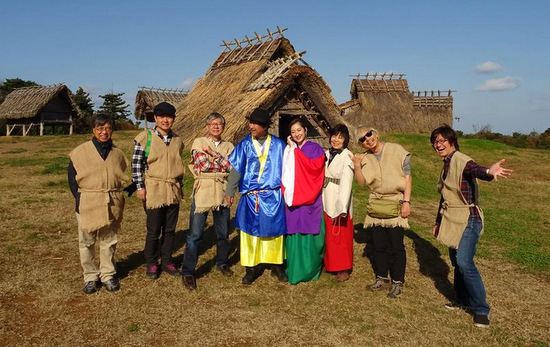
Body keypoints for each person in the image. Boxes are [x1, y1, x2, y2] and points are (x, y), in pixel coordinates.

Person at [430, 124, 512, 328]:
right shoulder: (447, 163)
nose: (438, 144)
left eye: (442, 140)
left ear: (452, 142)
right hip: (451, 218)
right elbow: (445, 197)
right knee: (457, 263)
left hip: (468, 219)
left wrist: (488, 171)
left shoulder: (461, 160)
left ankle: (481, 309)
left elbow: (476, 169)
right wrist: (438, 222)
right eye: (435, 141)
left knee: (465, 263)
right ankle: (463, 300)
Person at [225, 108, 287, 285]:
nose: (251, 126)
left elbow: (288, 170)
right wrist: (230, 191)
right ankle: (251, 268)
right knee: (249, 233)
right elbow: (236, 169)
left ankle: (276, 266)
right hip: (251, 198)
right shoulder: (244, 145)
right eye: (250, 122)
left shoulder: (279, 145)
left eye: (255, 123)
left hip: (273, 196)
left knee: (274, 232)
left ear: (265, 126)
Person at [68, 114, 129, 294]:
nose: (104, 132)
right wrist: (80, 199)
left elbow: (121, 174)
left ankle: (108, 274)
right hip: (87, 201)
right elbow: (72, 179)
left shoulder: (117, 154)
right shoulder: (80, 152)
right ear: (93, 130)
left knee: (109, 240)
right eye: (100, 128)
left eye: (108, 128)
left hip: (110, 201)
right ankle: (90, 276)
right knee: (86, 241)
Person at [351, 126, 412, 298]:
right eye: (362, 139)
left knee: (397, 246)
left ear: (375, 134)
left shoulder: (396, 150)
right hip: (376, 204)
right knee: (378, 245)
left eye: (369, 134)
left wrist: (406, 201)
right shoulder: (365, 159)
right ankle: (382, 277)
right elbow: (362, 182)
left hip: (396, 201)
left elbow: (408, 177)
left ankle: (398, 281)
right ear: (361, 145)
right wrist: (357, 165)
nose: (367, 139)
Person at [181, 112, 234, 290]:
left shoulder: (229, 145)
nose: (216, 126)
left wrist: (213, 154)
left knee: (223, 233)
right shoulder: (198, 142)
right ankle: (188, 271)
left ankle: (222, 262)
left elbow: (233, 168)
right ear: (207, 126)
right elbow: (202, 165)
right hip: (203, 188)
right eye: (212, 124)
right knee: (195, 234)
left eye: (219, 124)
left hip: (222, 190)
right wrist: (222, 162)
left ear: (223, 126)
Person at [132, 102, 184, 280]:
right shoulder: (144, 138)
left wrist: (180, 185)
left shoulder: (178, 140)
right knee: (154, 230)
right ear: (155, 118)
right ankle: (152, 263)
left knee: (170, 229)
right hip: (153, 188)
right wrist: (140, 187)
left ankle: (168, 260)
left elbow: (178, 163)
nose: (165, 120)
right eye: (161, 116)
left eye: (169, 117)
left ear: (173, 119)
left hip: (172, 188)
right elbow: (136, 165)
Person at [281, 119, 326, 285]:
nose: (296, 134)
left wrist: (295, 152)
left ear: (305, 130)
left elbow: (315, 169)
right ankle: (294, 269)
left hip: (310, 200)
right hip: (293, 202)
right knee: (293, 233)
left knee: (310, 233)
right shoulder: (288, 150)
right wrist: (291, 150)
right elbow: (285, 172)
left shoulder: (315, 149)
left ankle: (310, 270)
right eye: (293, 132)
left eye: (299, 130)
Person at [322, 124, 355, 282]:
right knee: (329, 233)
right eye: (334, 136)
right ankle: (330, 264)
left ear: (345, 139)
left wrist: (342, 206)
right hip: (325, 196)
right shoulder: (326, 154)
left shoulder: (348, 156)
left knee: (341, 235)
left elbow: (347, 182)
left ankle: (343, 267)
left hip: (339, 197)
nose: (336, 140)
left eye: (340, 137)